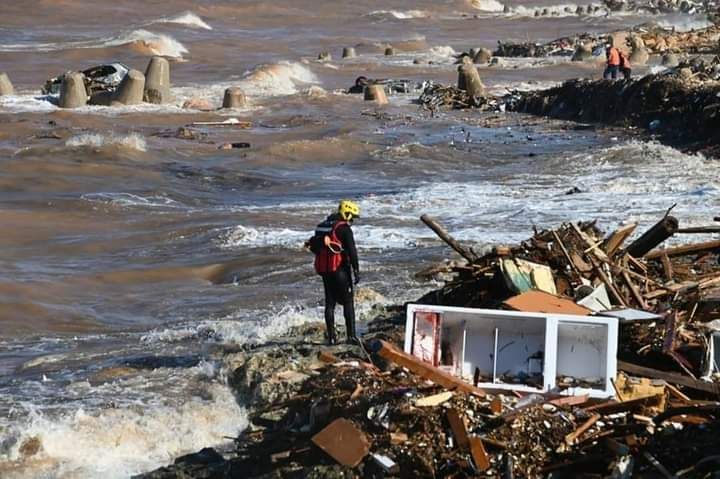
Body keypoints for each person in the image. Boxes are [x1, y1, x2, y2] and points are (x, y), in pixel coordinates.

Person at [306, 200, 360, 345]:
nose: (352, 220)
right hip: (340, 269)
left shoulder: (322, 227)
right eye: (352, 216)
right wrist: (356, 270)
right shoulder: (344, 229)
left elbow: (316, 247)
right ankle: (351, 336)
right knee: (348, 302)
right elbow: (352, 251)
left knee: (330, 303)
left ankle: (331, 337)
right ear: (346, 214)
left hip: (325, 269)